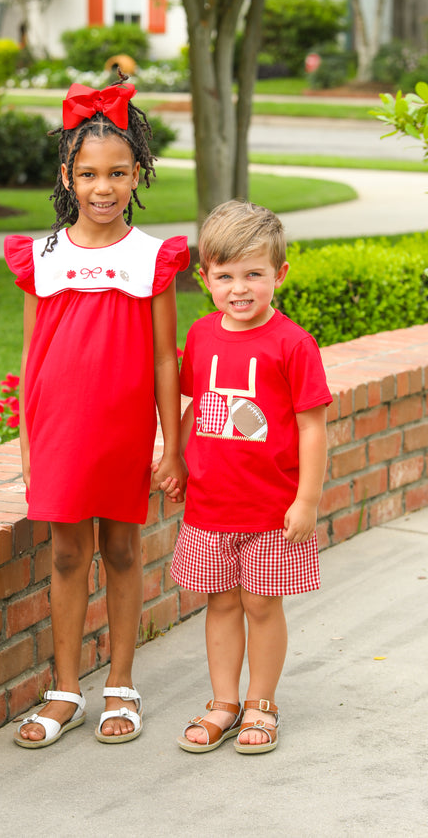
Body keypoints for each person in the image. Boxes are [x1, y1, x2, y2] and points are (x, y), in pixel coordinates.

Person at [4, 78, 189, 748]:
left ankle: (120, 683)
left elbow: (166, 359)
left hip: (122, 431)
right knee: (65, 554)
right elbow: (31, 359)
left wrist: (172, 445)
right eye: (88, 174)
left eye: (116, 173)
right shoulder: (43, 257)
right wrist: (27, 445)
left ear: (136, 173)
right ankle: (64, 690)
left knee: (119, 548)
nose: (102, 188)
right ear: (67, 176)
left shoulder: (149, 258)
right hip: (59, 431)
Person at [163, 199, 332, 755]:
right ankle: (223, 702)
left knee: (262, 604)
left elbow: (312, 428)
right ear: (204, 277)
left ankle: (262, 702)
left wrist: (306, 499)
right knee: (221, 603)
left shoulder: (293, 345)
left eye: (254, 274)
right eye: (226, 275)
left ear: (278, 274)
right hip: (211, 506)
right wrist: (178, 458)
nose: (240, 287)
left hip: (270, 507)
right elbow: (199, 405)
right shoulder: (205, 335)